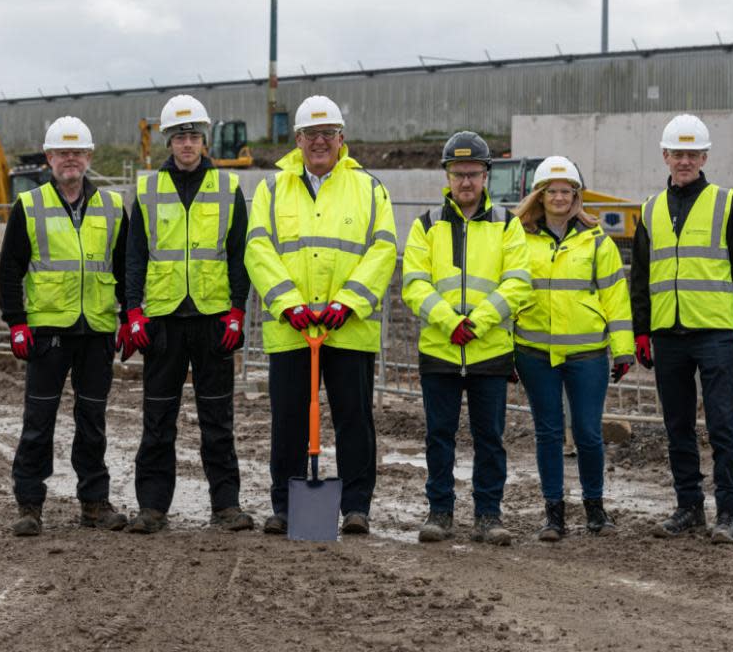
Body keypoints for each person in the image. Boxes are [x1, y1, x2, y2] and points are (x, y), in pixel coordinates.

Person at [245, 95, 397, 536]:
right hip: (292, 329)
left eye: (327, 134)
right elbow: (258, 248)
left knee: (354, 418)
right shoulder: (272, 189)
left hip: (347, 328)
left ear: (341, 139)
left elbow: (383, 249)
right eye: (311, 135)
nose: (319, 142)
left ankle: (355, 507)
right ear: (298, 140)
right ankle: (287, 506)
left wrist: (348, 302)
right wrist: (287, 302)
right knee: (289, 419)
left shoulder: (368, 188)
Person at [120, 95, 253, 534]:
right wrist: (133, 312)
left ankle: (226, 505)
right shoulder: (147, 190)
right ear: (168, 141)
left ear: (204, 140)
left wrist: (237, 310)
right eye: (180, 137)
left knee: (218, 419)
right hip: (163, 321)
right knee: (158, 419)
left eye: (194, 136)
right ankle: (153, 507)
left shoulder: (228, 188)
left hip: (214, 319)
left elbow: (239, 256)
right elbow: (134, 257)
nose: (188, 144)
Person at [629, 114, 733, 544]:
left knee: (723, 424)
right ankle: (689, 507)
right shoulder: (649, 211)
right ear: (665, 156)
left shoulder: (724, 203)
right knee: (678, 425)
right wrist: (642, 331)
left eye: (692, 154)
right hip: (668, 334)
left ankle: (728, 512)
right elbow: (641, 276)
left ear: (704, 157)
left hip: (715, 333)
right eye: (677, 154)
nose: (684, 161)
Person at [0, 115, 129, 537]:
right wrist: (16, 323)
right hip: (47, 333)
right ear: (49, 157)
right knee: (39, 420)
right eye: (62, 152)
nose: (70, 159)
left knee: (92, 421)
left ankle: (94, 502)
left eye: (78, 152)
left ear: (89, 157)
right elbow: (9, 269)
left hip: (96, 331)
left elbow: (126, 268)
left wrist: (131, 314)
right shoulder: (29, 205)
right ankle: (29, 504)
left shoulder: (111, 207)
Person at [401, 131, 531, 546]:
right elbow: (414, 284)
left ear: (486, 175)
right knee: (439, 436)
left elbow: (518, 283)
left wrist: (476, 322)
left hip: (489, 351)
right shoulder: (426, 226)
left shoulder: (508, 226)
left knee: (489, 438)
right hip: (440, 351)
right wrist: (447, 321)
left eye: (473, 173)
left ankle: (488, 514)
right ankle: (439, 511)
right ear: (447, 176)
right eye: (458, 174)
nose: (466, 182)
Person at [512, 156, 634, 542]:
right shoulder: (519, 238)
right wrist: (503, 349)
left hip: (587, 355)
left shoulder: (597, 240)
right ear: (540, 196)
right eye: (553, 191)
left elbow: (615, 297)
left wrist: (624, 349)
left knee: (587, 432)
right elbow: (508, 295)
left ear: (577, 197)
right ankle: (554, 515)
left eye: (567, 191)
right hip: (534, 353)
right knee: (547, 432)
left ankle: (595, 510)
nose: (560, 197)